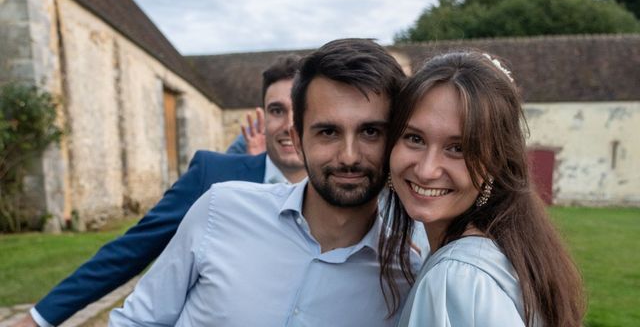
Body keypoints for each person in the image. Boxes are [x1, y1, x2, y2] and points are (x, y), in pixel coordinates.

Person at [109, 38, 419, 326]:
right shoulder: (221, 210)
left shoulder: (405, 279)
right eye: (328, 132)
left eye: (370, 132)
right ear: (297, 141)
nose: (349, 156)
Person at [18, 55, 304, 327]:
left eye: (299, 110)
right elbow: (132, 248)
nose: (288, 125)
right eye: (276, 110)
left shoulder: (343, 195)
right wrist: (39, 318)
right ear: (263, 116)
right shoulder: (213, 175)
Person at [379, 51, 586, 326]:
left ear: (495, 162)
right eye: (414, 138)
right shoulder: (508, 251)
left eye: (458, 148)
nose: (427, 170)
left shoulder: (459, 278)